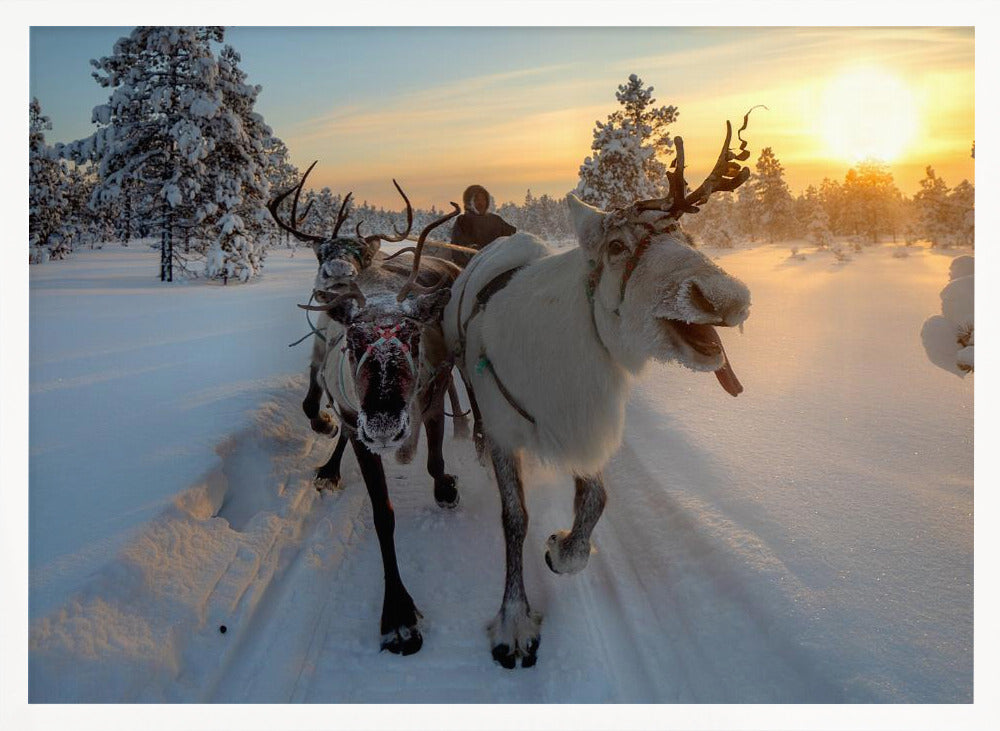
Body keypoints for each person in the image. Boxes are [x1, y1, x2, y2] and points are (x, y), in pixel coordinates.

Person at [448, 184, 516, 267]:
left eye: (483, 199)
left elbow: (511, 236)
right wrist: (471, 252)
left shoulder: (495, 220)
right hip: (471, 267)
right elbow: (458, 247)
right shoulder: (463, 221)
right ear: (469, 202)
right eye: (476, 200)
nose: (481, 203)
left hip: (496, 265)